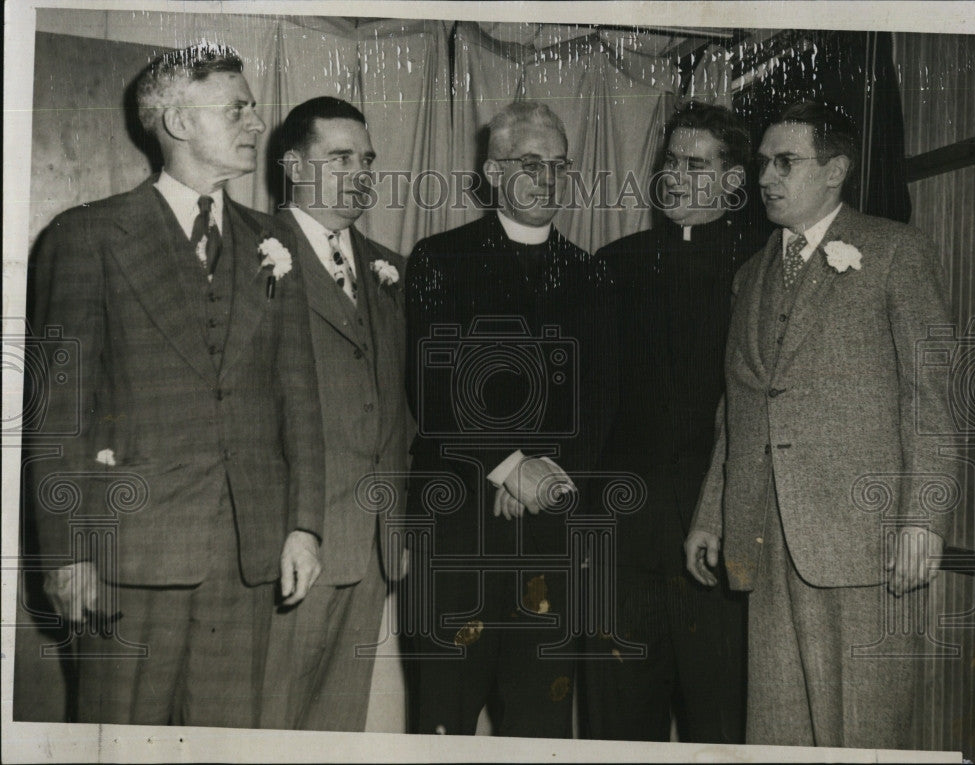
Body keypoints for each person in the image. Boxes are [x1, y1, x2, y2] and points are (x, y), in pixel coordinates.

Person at [26, 43, 324, 728]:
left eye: (252, 107)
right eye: (237, 109)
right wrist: (69, 552)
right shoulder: (88, 236)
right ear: (179, 123)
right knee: (119, 736)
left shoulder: (270, 239)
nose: (256, 122)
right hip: (127, 558)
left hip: (248, 559)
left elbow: (298, 398)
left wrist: (304, 526)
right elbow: (56, 416)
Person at [684, 100, 956, 748]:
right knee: (779, 735)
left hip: (864, 544)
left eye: (786, 162)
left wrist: (926, 514)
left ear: (835, 169)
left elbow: (933, 395)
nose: (766, 178)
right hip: (765, 539)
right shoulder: (750, 275)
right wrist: (711, 511)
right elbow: (738, 408)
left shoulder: (894, 251)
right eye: (762, 164)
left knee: (862, 731)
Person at [403, 100, 615, 737]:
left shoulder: (592, 274)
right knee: (443, 720)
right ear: (493, 173)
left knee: (540, 724)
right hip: (458, 529)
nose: (548, 177)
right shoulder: (439, 258)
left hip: (550, 534)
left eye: (559, 165)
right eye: (530, 163)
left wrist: (546, 475)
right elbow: (433, 383)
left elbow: (600, 399)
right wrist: (508, 466)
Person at [583, 101, 763, 743]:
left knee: (721, 726)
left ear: (735, 180)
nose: (677, 175)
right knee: (616, 727)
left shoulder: (761, 269)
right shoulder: (613, 264)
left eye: (697, 163)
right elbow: (590, 405)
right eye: (670, 162)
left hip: (714, 548)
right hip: (621, 547)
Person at [260, 96, 411, 731]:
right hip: (293, 543)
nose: (360, 173)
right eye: (339, 157)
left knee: (338, 728)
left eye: (367, 159)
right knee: (267, 721)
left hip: (376, 543)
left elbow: (402, 410)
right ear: (294, 166)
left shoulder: (390, 270)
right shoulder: (252, 255)